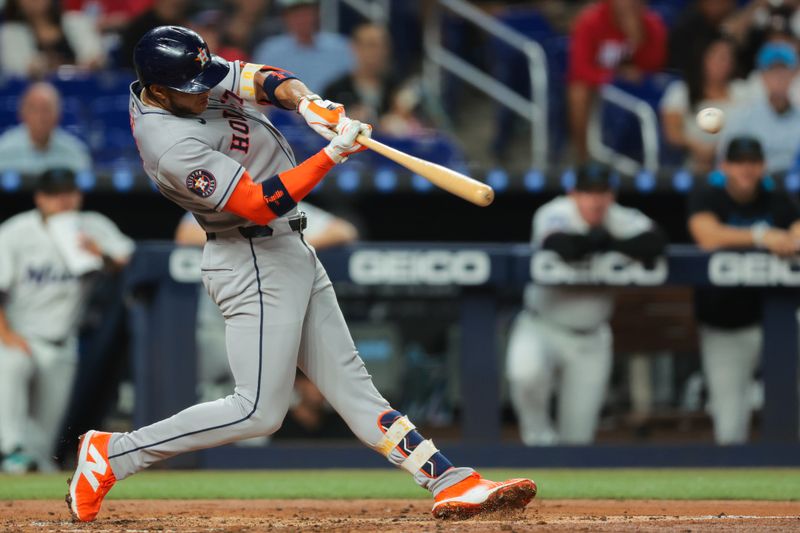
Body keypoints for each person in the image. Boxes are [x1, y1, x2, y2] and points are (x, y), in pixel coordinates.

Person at [65, 26, 536, 522]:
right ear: (159, 91)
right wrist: (331, 155)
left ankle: (447, 480)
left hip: (289, 247)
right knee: (257, 411)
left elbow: (259, 79)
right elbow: (257, 204)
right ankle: (113, 454)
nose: (205, 89)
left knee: (354, 388)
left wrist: (308, 102)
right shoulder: (168, 143)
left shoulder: (186, 75)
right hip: (249, 256)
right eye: (193, 88)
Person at [506, 163, 666, 445]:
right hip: (541, 325)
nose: (595, 200)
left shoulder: (619, 217)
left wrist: (605, 243)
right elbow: (561, 245)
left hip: (591, 337)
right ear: (573, 193)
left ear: (611, 195)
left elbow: (655, 241)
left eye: (601, 192)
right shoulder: (555, 212)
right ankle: (539, 442)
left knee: (578, 437)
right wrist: (606, 242)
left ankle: (564, 476)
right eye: (587, 193)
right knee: (525, 374)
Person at [0, 169, 133, 473]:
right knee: (12, 365)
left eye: (68, 192)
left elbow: (127, 259)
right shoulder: (15, 231)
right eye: (54, 194)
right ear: (40, 198)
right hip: (17, 336)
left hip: (63, 342)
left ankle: (26, 468)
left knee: (45, 439)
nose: (62, 200)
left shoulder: (93, 226)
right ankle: (11, 447)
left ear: (78, 195)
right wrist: (5, 334)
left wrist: (101, 253)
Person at [174, 202, 358, 406]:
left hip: (264, 322)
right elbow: (184, 234)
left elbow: (345, 231)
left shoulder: (283, 204)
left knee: (260, 405)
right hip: (216, 324)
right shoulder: (223, 201)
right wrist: (252, 242)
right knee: (213, 397)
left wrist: (285, 245)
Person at [688, 136, 800, 444]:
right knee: (729, 425)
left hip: (775, 324)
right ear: (725, 166)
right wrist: (763, 236)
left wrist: (791, 236)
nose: (746, 169)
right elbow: (707, 236)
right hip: (724, 324)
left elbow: (796, 226)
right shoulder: (708, 194)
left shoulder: (773, 196)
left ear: (762, 166)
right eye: (739, 163)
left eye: (752, 163)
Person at [567, 0, 667, 162]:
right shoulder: (590, 21)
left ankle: (658, 157)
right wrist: (612, 77)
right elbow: (580, 69)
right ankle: (583, 157)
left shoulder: (650, 22)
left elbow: (655, 66)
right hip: (600, 88)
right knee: (578, 93)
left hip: (633, 88)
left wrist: (638, 37)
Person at [660, 36, 749, 175]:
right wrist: (696, 146)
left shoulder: (742, 90)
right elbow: (672, 133)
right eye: (717, 57)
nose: (722, 63)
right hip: (697, 162)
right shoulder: (681, 91)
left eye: (727, 58)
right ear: (703, 58)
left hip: (739, 161)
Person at [719, 42, 800, 174]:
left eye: (784, 70)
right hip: (756, 187)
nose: (779, 77)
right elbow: (726, 161)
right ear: (762, 75)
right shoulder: (743, 116)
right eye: (772, 71)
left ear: (794, 74)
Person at [253, 0, 354, 93]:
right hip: (285, 110)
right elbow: (258, 90)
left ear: (317, 14)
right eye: (296, 14)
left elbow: (355, 83)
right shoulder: (270, 51)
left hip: (333, 109)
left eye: (306, 13)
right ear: (285, 18)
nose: (302, 19)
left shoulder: (340, 47)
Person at [0, 82, 92, 177]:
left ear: (58, 115)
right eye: (34, 110)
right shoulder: (3, 150)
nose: (40, 117)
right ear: (22, 114)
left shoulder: (75, 153)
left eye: (46, 110)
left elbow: (83, 188)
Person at [0, 0, 105, 77]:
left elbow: (95, 56)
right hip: (34, 94)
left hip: (83, 89)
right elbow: (15, 70)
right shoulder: (9, 33)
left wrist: (94, 63)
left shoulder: (77, 22)